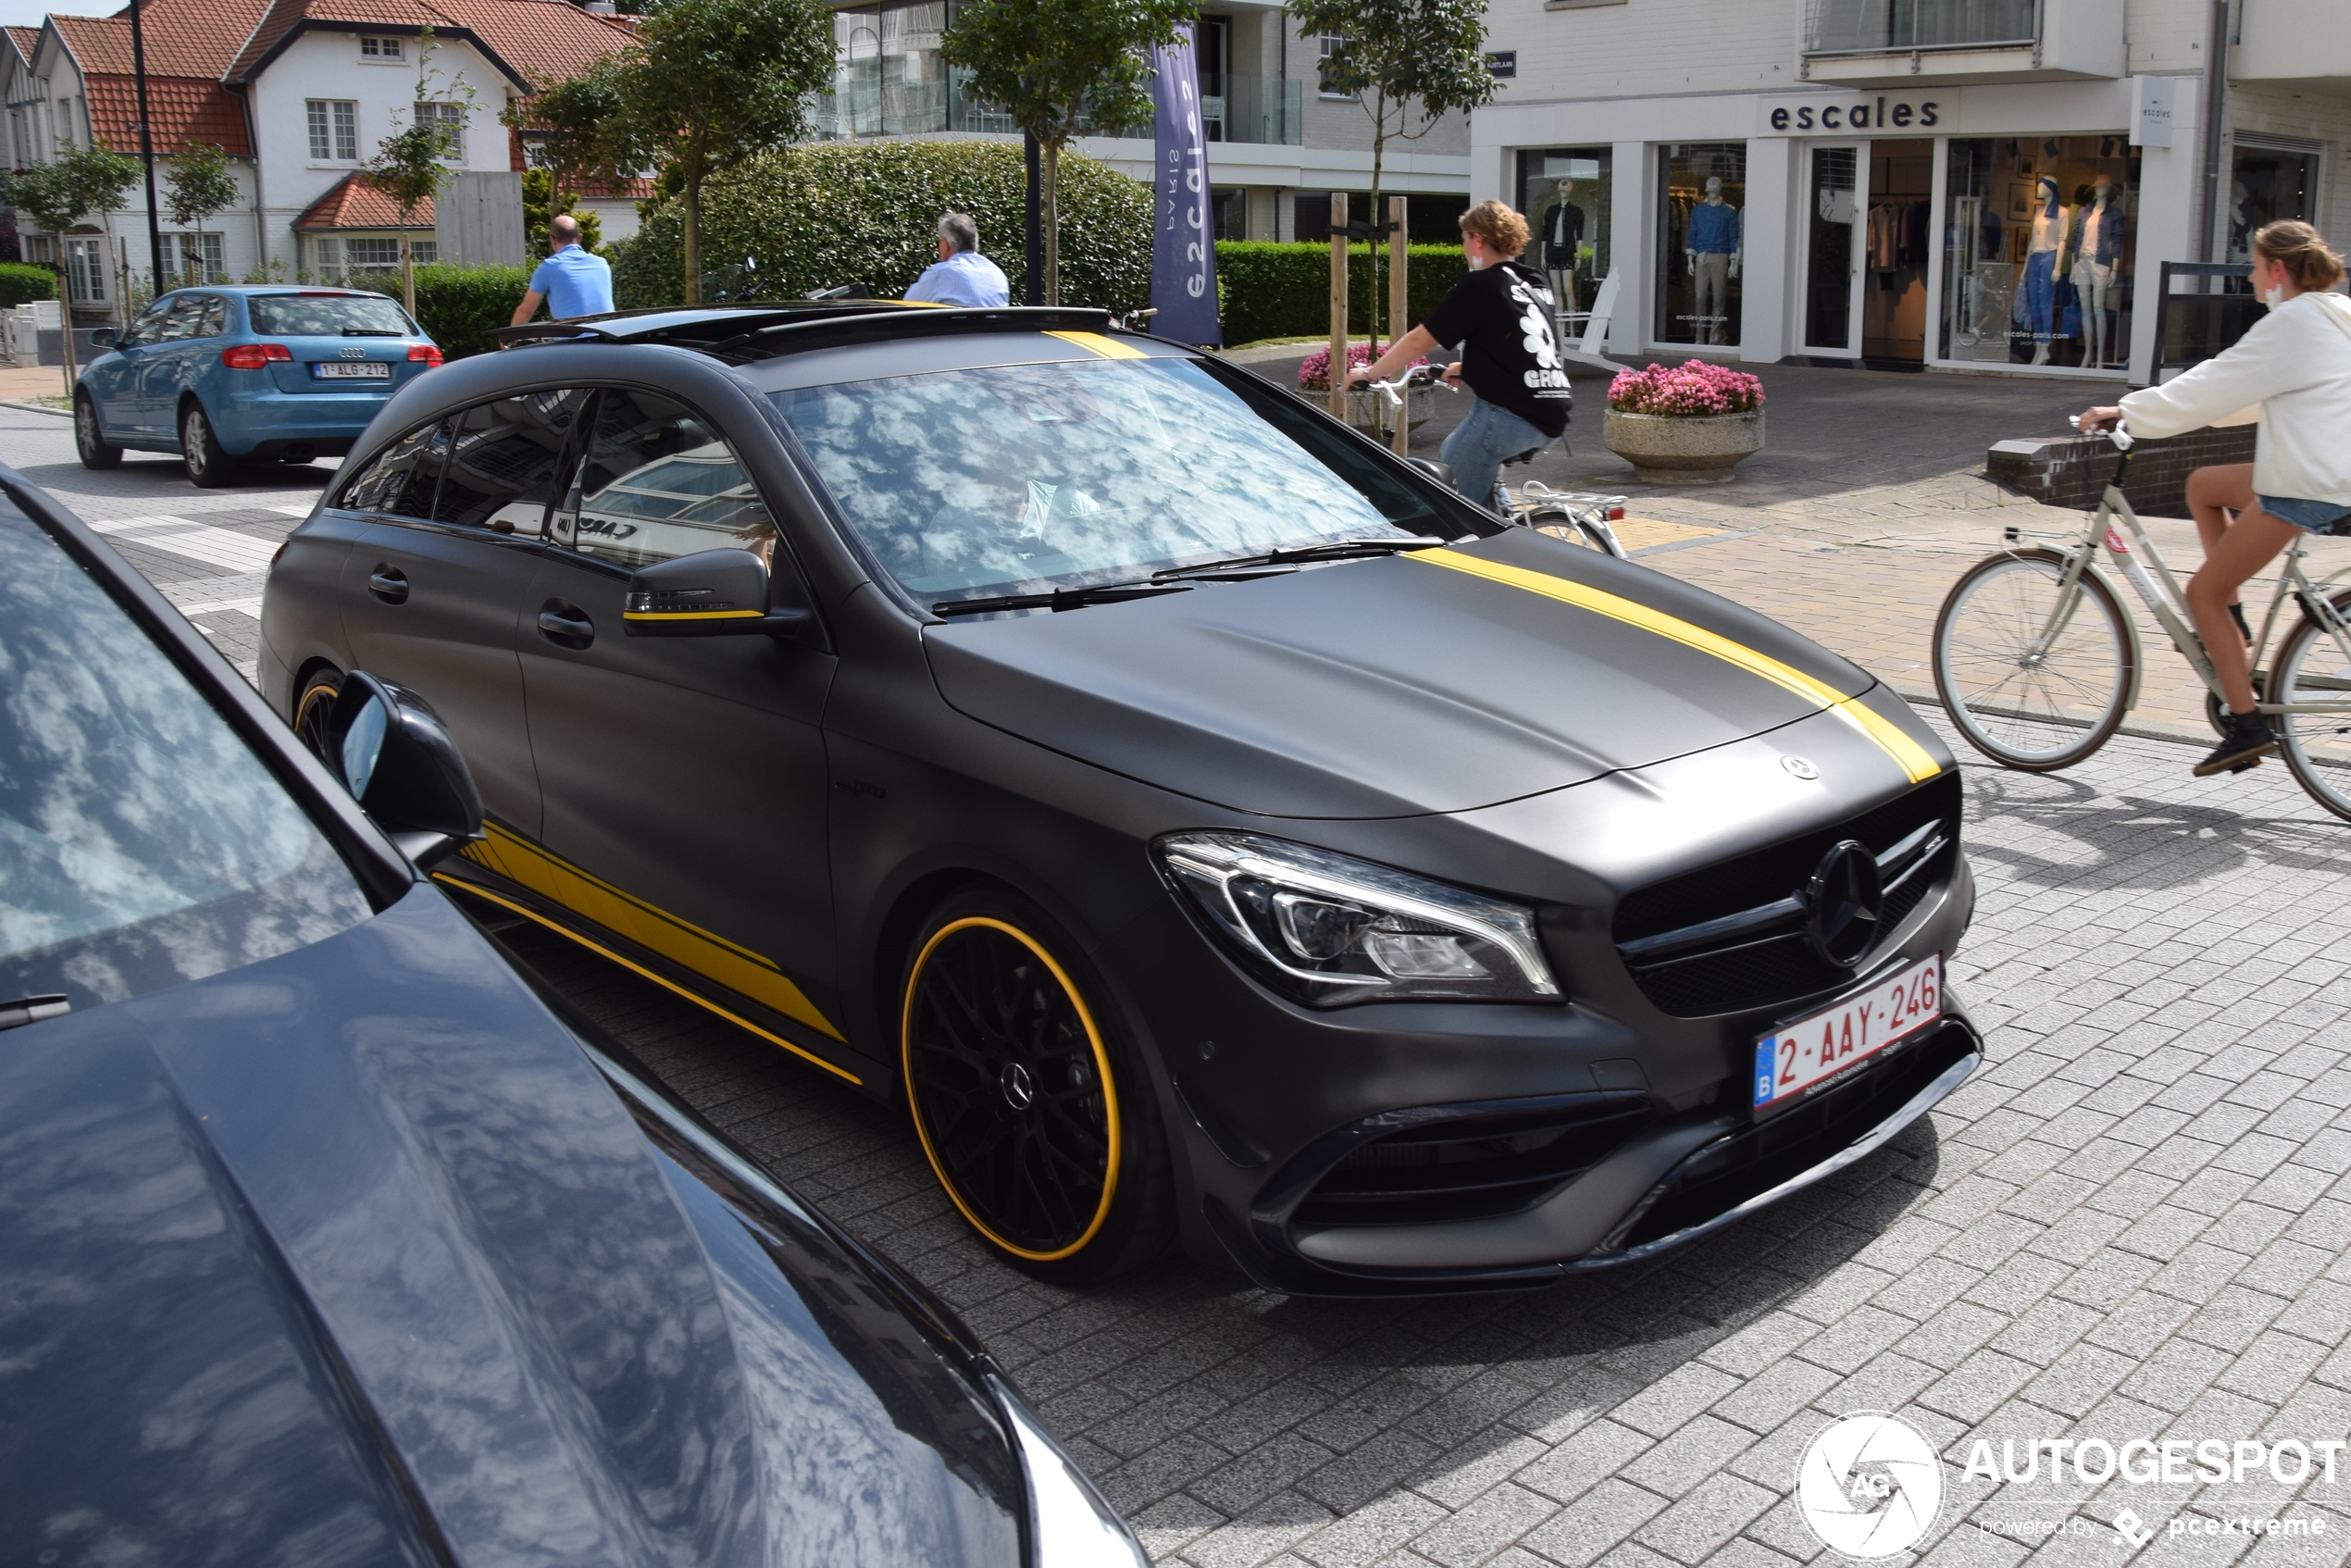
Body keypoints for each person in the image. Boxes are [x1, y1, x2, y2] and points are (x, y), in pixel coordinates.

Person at [2078, 219, 2351, 778]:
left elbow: (2217, 383)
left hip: (2310, 481)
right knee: (2203, 485)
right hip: (2323, 464)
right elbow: (2249, 388)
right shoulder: (2335, 312)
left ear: (2278, 271)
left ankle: (2248, 725)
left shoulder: (2294, 322)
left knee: (2199, 593)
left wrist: (2128, 412)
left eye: (2253, 265)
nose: (2250, 275)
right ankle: (2232, 621)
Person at [1343, 200, 1571, 509]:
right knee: (1481, 484)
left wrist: (1370, 372)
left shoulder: (1481, 285)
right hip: (1554, 412)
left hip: (1510, 417)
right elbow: (1530, 344)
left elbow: (1419, 341)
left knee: (1453, 490)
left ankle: (1478, 544)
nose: (1463, 247)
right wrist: (1469, 367)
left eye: (1464, 239)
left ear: (1477, 239)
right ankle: (1503, 526)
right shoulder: (1534, 282)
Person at [510, 215, 614, 328]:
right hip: (608, 339)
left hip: (575, 342)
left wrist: (509, 337)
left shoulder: (549, 267)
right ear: (579, 238)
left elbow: (526, 310)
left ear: (552, 240)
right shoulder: (602, 264)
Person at [903, 212, 1010, 307]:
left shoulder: (940, 274)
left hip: (960, 329)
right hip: (997, 329)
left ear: (945, 244)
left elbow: (905, 307)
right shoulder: (997, 273)